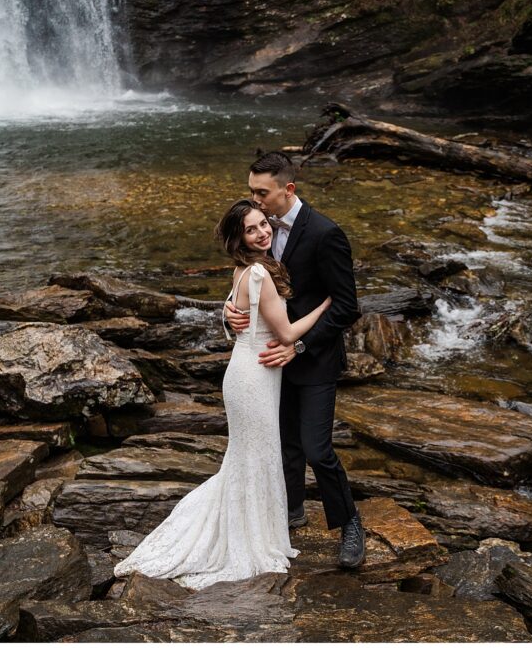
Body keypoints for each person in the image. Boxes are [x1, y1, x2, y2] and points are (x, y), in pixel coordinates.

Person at [113, 199, 331, 589]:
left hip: (248, 372)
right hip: (254, 377)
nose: (263, 232)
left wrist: (227, 312)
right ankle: (248, 538)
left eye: (264, 224)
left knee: (252, 457)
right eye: (252, 229)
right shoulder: (259, 274)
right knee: (257, 455)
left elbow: (239, 311)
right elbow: (285, 333)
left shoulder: (244, 269)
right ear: (239, 238)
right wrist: (326, 306)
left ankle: (254, 526)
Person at [225, 151, 365, 569]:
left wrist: (300, 346)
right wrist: (228, 312)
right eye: (251, 191)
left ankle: (350, 523)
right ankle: (291, 512)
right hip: (269, 364)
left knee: (317, 449)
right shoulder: (257, 231)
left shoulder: (326, 234)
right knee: (283, 445)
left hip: (315, 360)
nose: (254, 199)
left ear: (288, 189)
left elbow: (346, 306)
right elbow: (246, 284)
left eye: (260, 192)